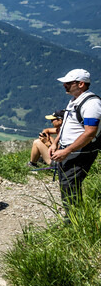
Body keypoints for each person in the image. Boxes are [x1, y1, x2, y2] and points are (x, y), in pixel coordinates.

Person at [50, 69, 101, 208]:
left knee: (70, 186)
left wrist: (67, 151)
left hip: (80, 151)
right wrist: (55, 143)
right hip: (69, 149)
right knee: (67, 185)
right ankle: (73, 219)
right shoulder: (75, 101)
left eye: (68, 83)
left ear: (81, 84)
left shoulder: (92, 104)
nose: (64, 85)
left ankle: (74, 222)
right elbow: (67, 125)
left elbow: (90, 133)